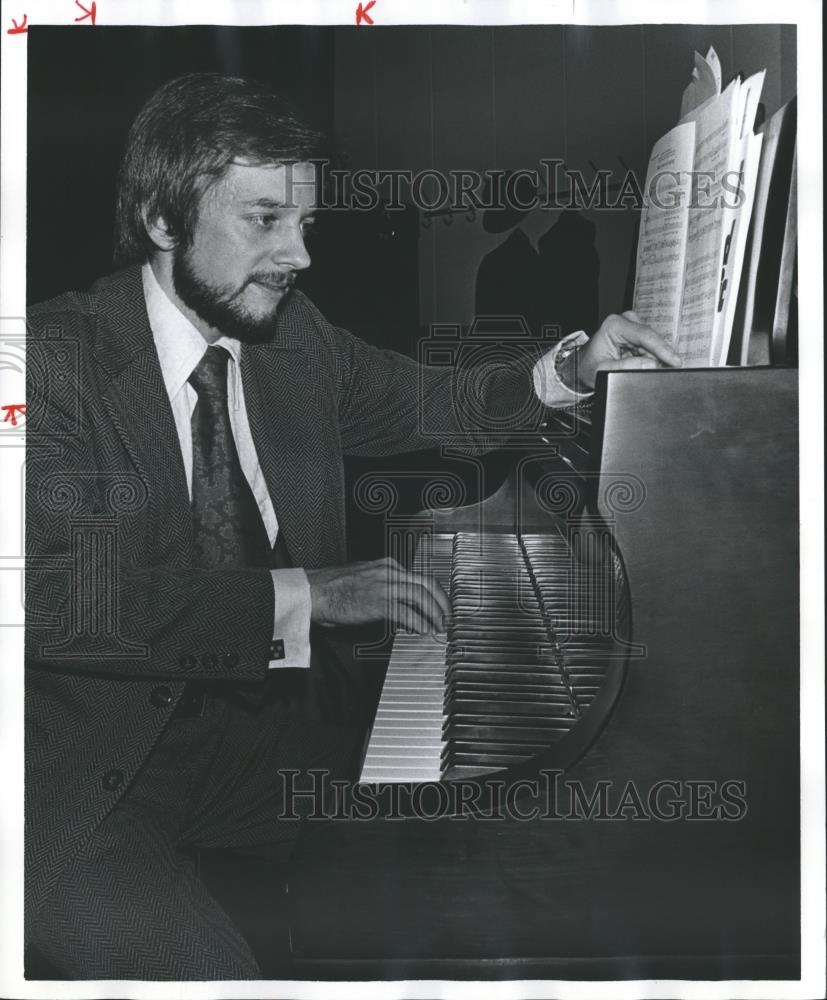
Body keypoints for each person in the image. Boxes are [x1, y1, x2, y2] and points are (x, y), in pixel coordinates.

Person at [24, 73, 681, 980]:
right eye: (264, 221)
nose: (298, 256)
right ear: (162, 220)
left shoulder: (298, 342)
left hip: (258, 734)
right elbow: (50, 596)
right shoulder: (49, 363)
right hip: (83, 773)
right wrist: (308, 594)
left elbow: (438, 403)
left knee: (460, 886)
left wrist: (568, 368)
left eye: (305, 224)